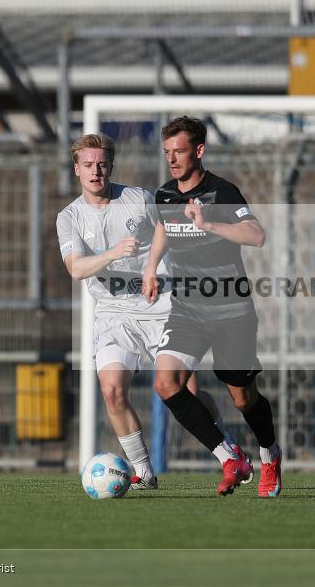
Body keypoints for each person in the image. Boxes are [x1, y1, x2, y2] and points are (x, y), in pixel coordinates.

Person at [56, 133, 244, 490]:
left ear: (110, 166)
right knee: (112, 390)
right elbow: (76, 269)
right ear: (76, 169)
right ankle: (143, 471)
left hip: (161, 304)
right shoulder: (69, 218)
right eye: (88, 165)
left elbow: (171, 227)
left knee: (184, 390)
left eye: (101, 164)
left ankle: (227, 453)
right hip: (113, 312)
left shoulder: (137, 199)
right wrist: (114, 253)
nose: (96, 171)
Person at [141, 116, 282, 498]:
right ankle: (230, 457)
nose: (172, 159)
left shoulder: (222, 192)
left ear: (199, 151)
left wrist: (211, 226)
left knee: (242, 397)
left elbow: (257, 235)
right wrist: (151, 267)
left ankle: (269, 455)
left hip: (231, 309)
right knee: (165, 382)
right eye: (167, 152)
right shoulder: (166, 195)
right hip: (187, 308)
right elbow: (163, 228)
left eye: (179, 151)